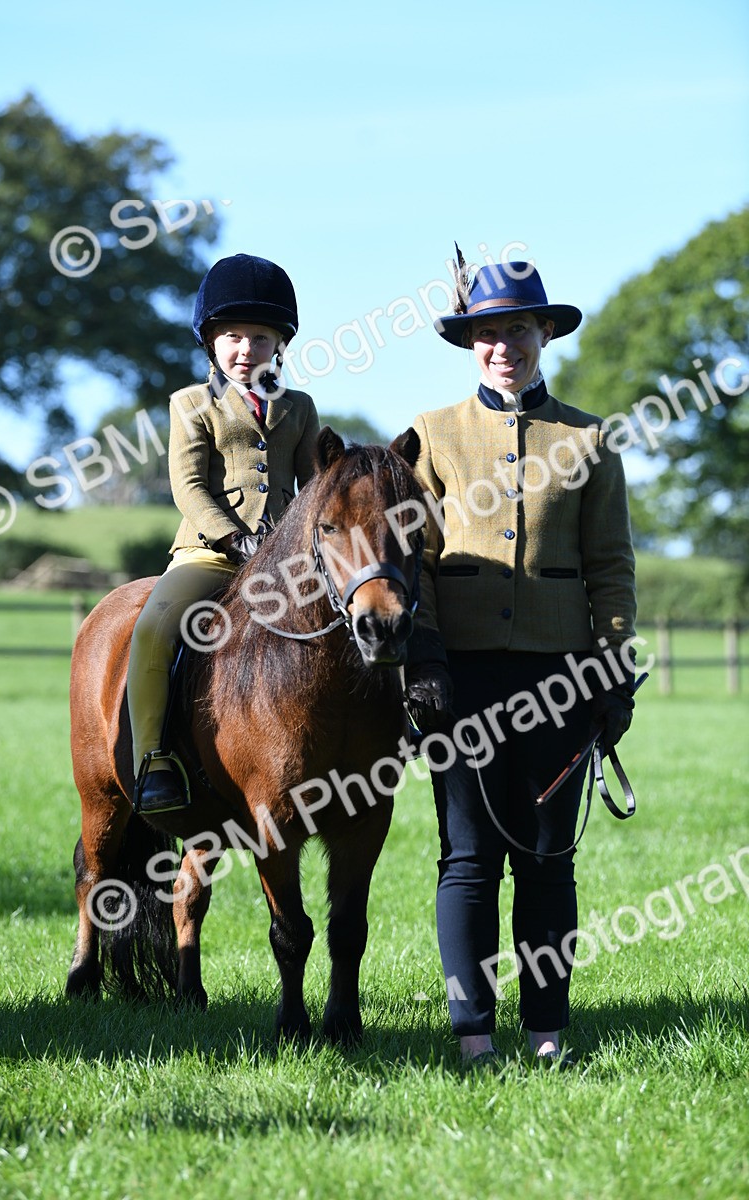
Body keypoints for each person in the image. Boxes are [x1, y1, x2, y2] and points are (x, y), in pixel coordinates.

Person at [405, 254, 637, 1067]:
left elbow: (611, 566)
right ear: (471, 344)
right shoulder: (430, 434)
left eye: (518, 330)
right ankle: (473, 1036)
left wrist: (612, 672)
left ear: (545, 334)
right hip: (461, 679)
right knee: (468, 860)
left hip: (560, 677)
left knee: (548, 860)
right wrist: (424, 659)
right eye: (489, 334)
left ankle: (546, 1034)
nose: (503, 347)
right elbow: (414, 563)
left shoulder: (589, 438)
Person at [127, 253, 320, 813]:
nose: (246, 349)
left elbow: (313, 484)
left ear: (279, 344)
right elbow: (188, 486)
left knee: (357, 606)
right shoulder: (192, 404)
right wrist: (236, 540)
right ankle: (152, 761)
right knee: (153, 629)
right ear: (211, 342)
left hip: (283, 555)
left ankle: (387, 726)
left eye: (260, 337)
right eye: (233, 336)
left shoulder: (300, 408)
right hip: (210, 554)